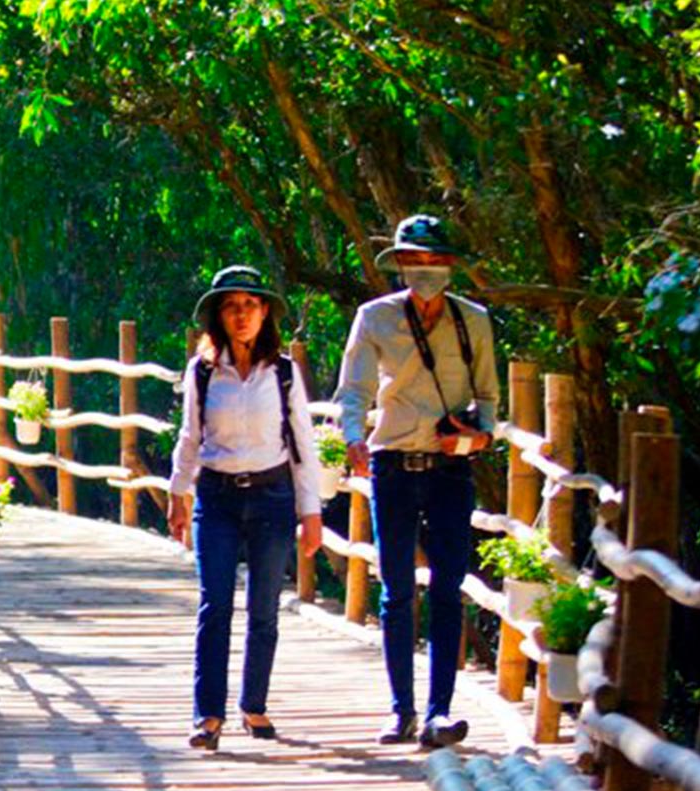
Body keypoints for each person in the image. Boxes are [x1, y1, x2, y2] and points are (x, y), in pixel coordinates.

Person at [334, 214, 500, 749]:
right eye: (416, 261)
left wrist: (476, 437)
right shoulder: (375, 318)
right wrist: (355, 436)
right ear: (400, 264)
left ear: (450, 265)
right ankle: (401, 709)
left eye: (435, 261)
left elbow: (490, 400)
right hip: (392, 465)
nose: (426, 271)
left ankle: (439, 711)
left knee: (449, 588)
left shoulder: (472, 320)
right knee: (398, 589)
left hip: (451, 468)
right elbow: (353, 389)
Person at [168, 266, 325, 750]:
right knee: (215, 605)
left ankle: (253, 706)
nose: (241, 314)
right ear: (218, 314)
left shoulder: (282, 372)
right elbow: (190, 435)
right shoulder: (202, 370)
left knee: (264, 610)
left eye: (250, 305)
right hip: (216, 496)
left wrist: (311, 511)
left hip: (272, 497)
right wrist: (179, 495)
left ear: (264, 313)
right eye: (231, 305)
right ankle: (207, 715)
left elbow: (302, 440)